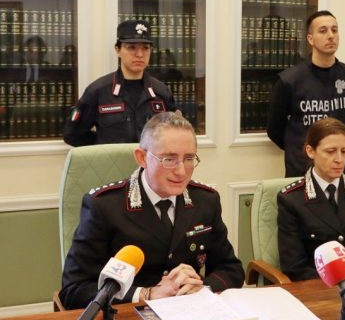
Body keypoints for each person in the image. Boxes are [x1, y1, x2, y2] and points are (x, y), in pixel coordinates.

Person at [59, 112, 244, 309]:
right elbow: (73, 290)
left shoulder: (206, 200)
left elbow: (231, 269)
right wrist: (148, 294)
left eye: (189, 158)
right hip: (129, 318)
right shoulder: (104, 206)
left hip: (191, 314)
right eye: (169, 159)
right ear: (142, 158)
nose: (181, 171)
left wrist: (202, 289)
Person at [277, 117, 345, 280]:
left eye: (344, 151)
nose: (339, 159)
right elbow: (295, 267)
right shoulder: (292, 199)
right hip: (316, 289)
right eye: (330, 151)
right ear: (310, 151)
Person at [267, 10, 345, 177]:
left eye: (335, 30)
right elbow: (275, 130)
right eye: (323, 31)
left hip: (340, 173)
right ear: (310, 39)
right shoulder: (289, 80)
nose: (331, 35)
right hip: (302, 171)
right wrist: (300, 149)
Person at [63, 19, 177, 146]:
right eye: (131, 47)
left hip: (150, 165)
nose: (139, 54)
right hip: (114, 165)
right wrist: (104, 147)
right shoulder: (98, 91)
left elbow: (174, 133)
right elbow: (72, 135)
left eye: (145, 48)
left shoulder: (161, 92)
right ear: (118, 50)